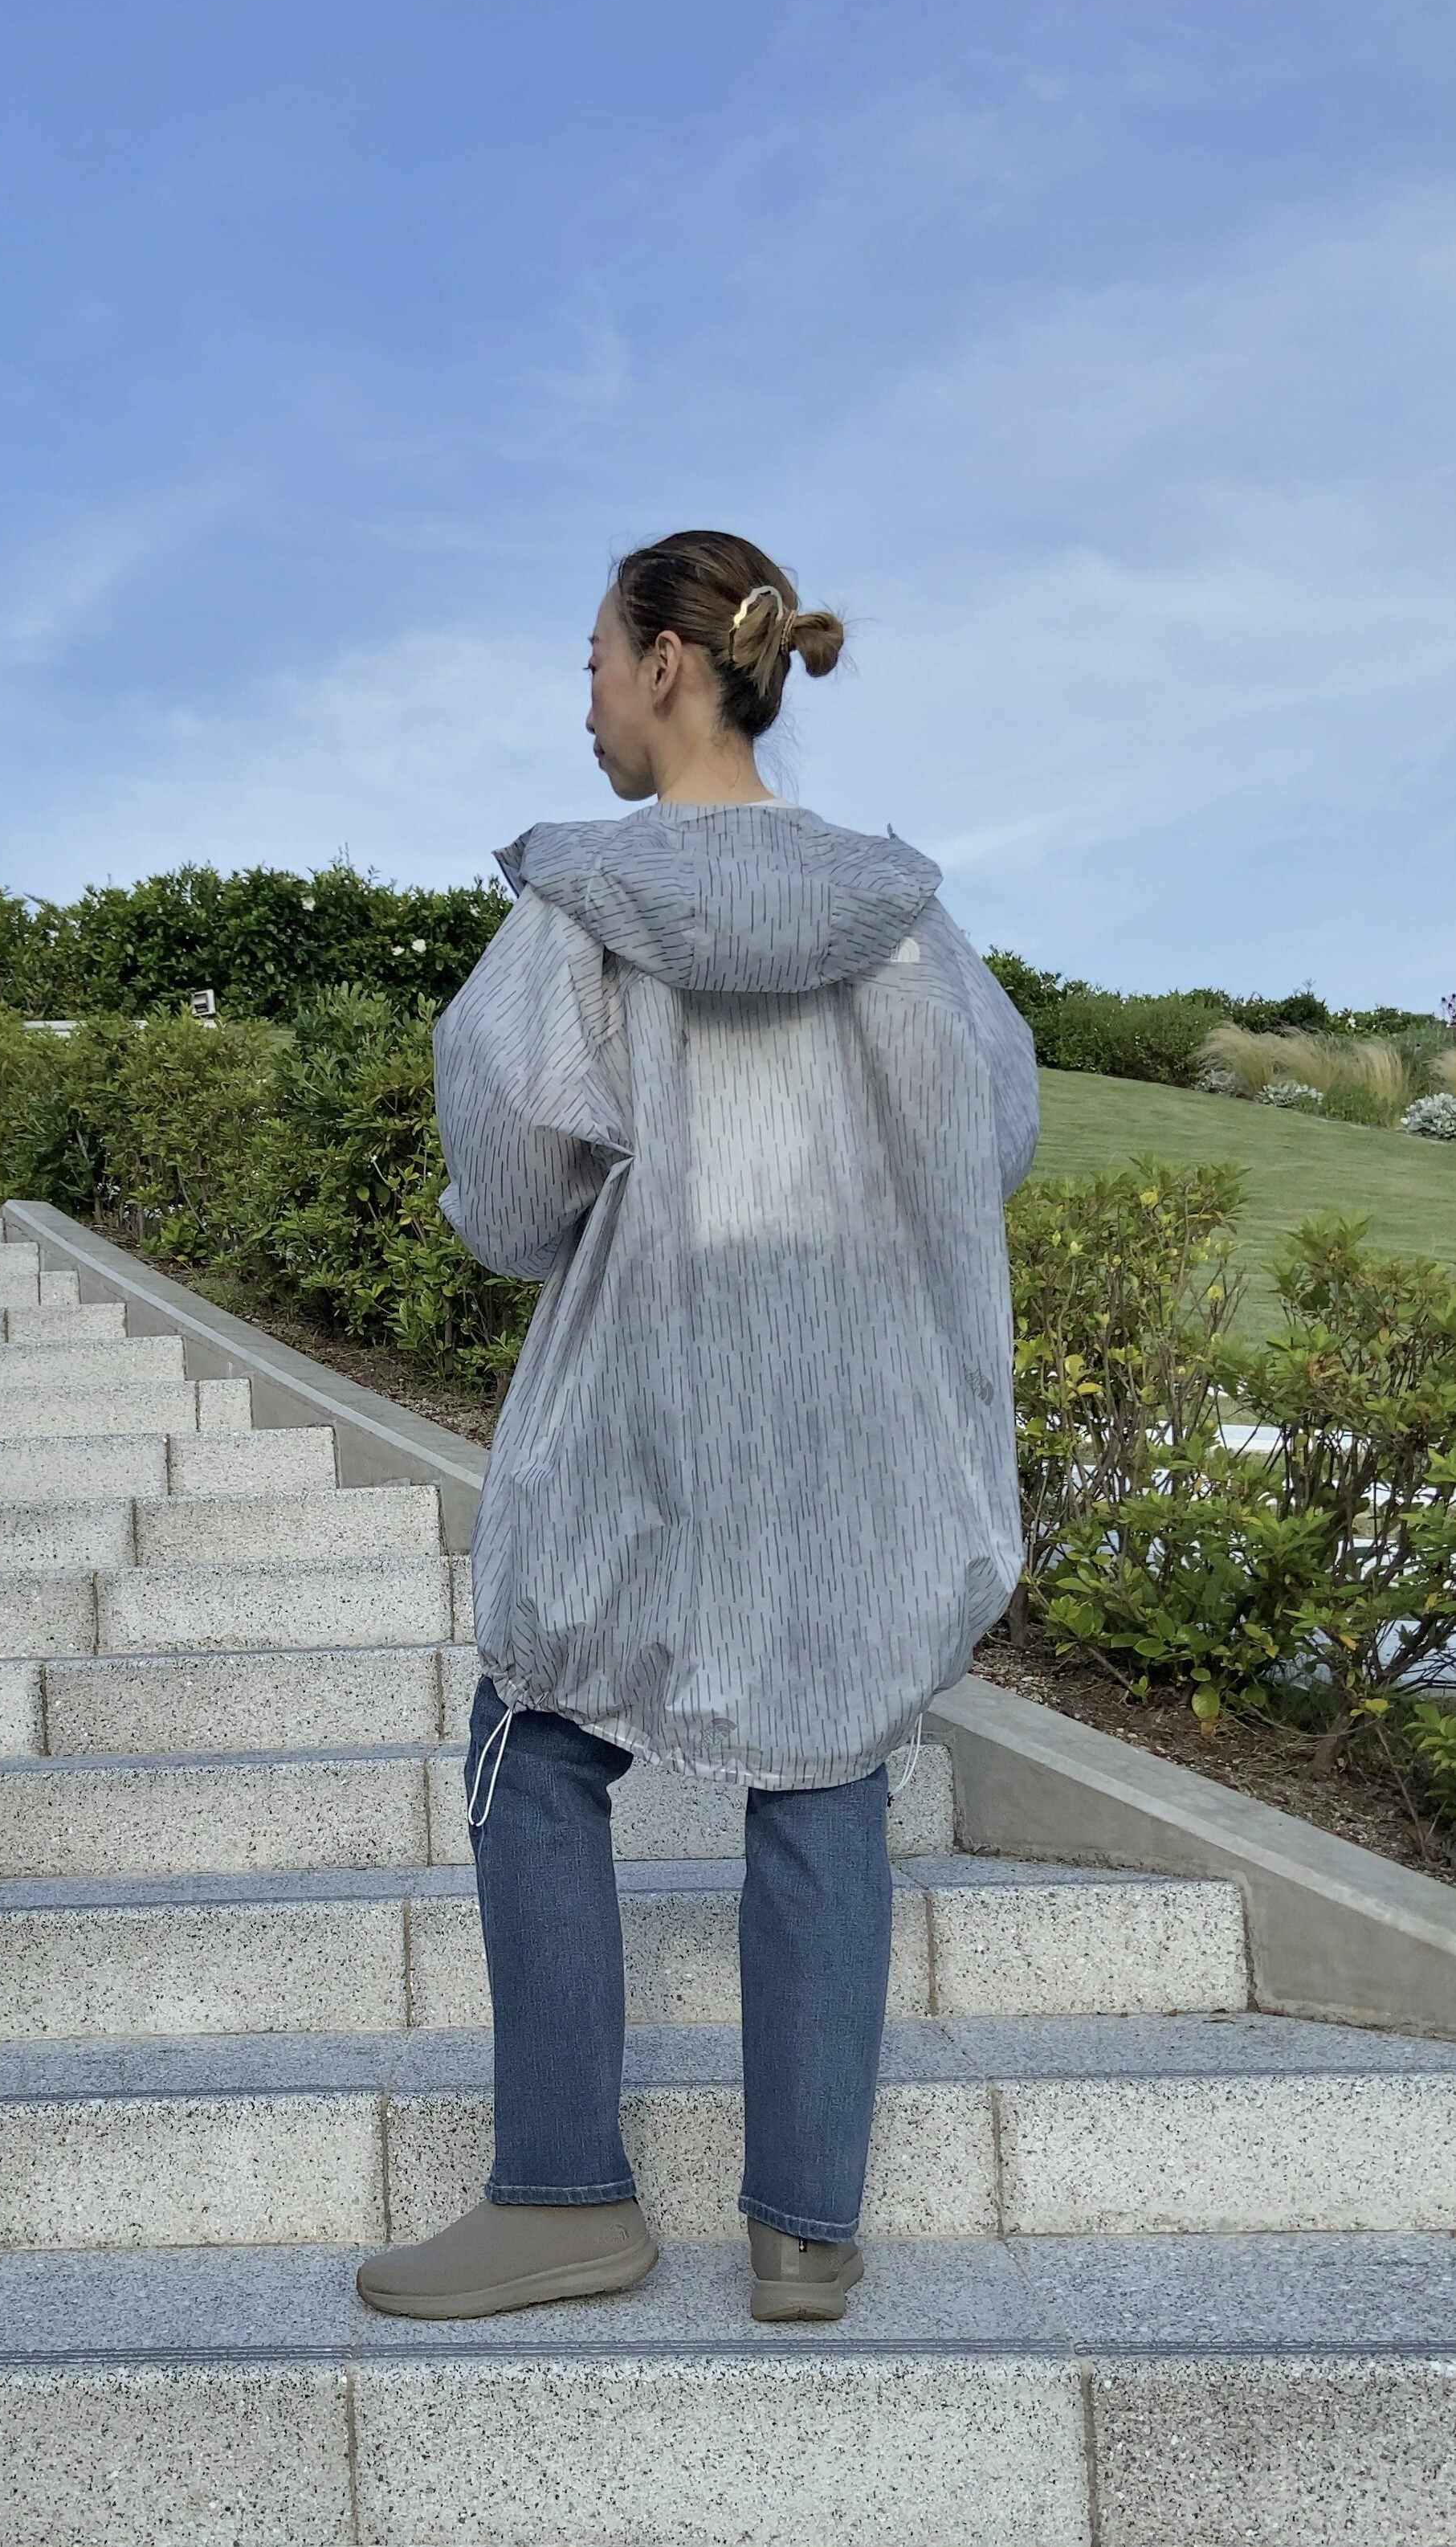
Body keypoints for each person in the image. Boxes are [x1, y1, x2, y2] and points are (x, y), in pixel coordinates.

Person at [357, 529, 1038, 2325]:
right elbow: (993, 1126)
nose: (578, 696)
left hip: (644, 1380)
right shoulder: (897, 918)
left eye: (589, 657)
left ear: (668, 663)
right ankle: (804, 2226)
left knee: (538, 1717)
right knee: (822, 1751)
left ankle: (564, 2189)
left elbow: (510, 1180)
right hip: (843, 1404)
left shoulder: (583, 908)